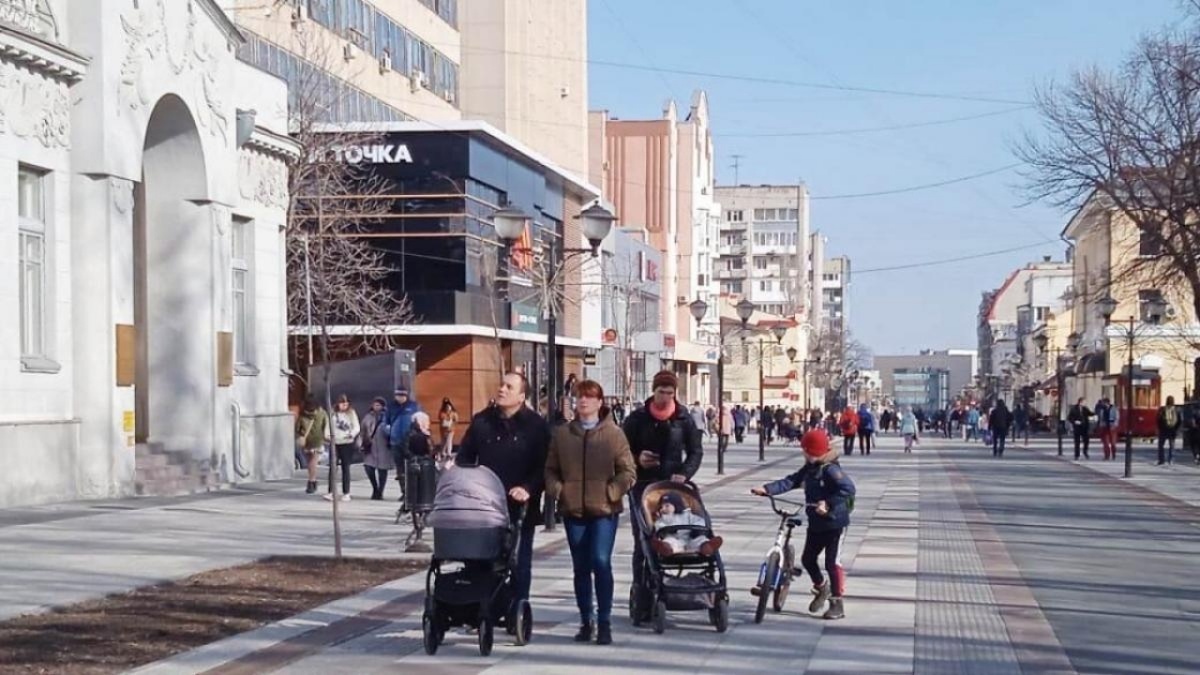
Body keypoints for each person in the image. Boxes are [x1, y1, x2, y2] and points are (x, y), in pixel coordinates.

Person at [544, 379, 636, 645]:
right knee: (581, 566)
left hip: (604, 510)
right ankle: (587, 620)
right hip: (573, 510)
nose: (583, 401)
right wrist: (559, 491)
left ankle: (604, 621)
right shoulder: (563, 434)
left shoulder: (613, 434)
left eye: (589, 397)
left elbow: (628, 471)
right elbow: (550, 469)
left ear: (599, 402)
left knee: (600, 561)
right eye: (579, 396)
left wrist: (612, 492)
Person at [456, 372, 550, 606]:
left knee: (518, 561)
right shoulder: (482, 421)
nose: (502, 390)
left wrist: (528, 488)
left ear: (521, 396)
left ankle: (518, 607)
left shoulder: (535, 426)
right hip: (484, 505)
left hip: (519, 506)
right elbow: (465, 457)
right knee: (481, 559)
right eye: (501, 385)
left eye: (509, 387)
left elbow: (545, 466)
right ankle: (482, 606)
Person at [621, 370, 703, 623]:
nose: (665, 397)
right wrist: (637, 459)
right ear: (653, 391)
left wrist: (685, 473)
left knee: (673, 532)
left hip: (672, 487)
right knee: (644, 541)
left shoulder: (683, 418)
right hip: (643, 487)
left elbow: (695, 451)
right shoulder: (637, 418)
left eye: (670, 392)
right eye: (661, 392)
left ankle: (668, 587)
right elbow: (622, 451)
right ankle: (642, 595)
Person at [751, 429, 856, 621]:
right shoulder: (810, 468)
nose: (803, 453)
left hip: (835, 523)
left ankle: (837, 603)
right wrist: (767, 489)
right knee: (808, 559)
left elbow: (848, 489)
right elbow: (791, 481)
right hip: (816, 523)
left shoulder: (831, 470)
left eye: (805, 450)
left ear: (813, 451)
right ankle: (821, 587)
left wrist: (828, 503)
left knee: (831, 562)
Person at [651, 493, 722, 556]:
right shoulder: (663, 519)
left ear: (676, 505)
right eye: (661, 507)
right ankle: (666, 548)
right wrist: (666, 530)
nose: (663, 509)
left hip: (691, 538)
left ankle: (706, 547)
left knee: (700, 539)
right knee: (669, 541)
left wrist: (697, 530)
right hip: (675, 540)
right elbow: (659, 526)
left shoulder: (687, 515)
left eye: (667, 506)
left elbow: (698, 521)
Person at [323, 394, 361, 502]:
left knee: (345, 467)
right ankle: (331, 491)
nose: (344, 405)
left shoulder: (351, 413)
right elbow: (328, 426)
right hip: (335, 442)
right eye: (342, 403)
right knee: (333, 467)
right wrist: (328, 435)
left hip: (347, 442)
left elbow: (356, 427)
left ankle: (346, 492)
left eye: (346, 403)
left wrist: (351, 434)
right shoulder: (333, 414)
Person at [387, 388, 421, 503]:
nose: (400, 398)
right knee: (400, 469)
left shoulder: (414, 406)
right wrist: (390, 433)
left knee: (412, 467)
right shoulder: (391, 407)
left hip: (410, 442)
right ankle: (404, 492)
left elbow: (420, 421)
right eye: (398, 395)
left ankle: (413, 492)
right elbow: (385, 422)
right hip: (395, 442)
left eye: (402, 396)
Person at [360, 397, 394, 500]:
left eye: (379, 405)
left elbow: (391, 430)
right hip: (370, 446)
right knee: (368, 467)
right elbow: (362, 431)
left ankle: (380, 491)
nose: (376, 407)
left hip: (384, 447)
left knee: (382, 470)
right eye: (375, 405)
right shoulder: (368, 417)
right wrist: (361, 443)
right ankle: (375, 487)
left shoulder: (387, 417)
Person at [295, 396, 330, 495]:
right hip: (310, 442)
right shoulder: (318, 414)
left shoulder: (318, 414)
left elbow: (326, 426)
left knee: (312, 462)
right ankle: (312, 481)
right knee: (311, 463)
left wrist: (326, 436)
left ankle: (311, 481)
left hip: (314, 442)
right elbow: (297, 429)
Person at [1157, 395, 1182, 465]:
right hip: (1172, 429)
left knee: (1161, 445)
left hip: (1164, 429)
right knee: (1172, 446)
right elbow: (1179, 421)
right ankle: (1171, 460)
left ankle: (1161, 460)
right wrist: (1176, 429)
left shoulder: (1162, 409)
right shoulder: (1177, 410)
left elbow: (1158, 419)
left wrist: (1160, 428)